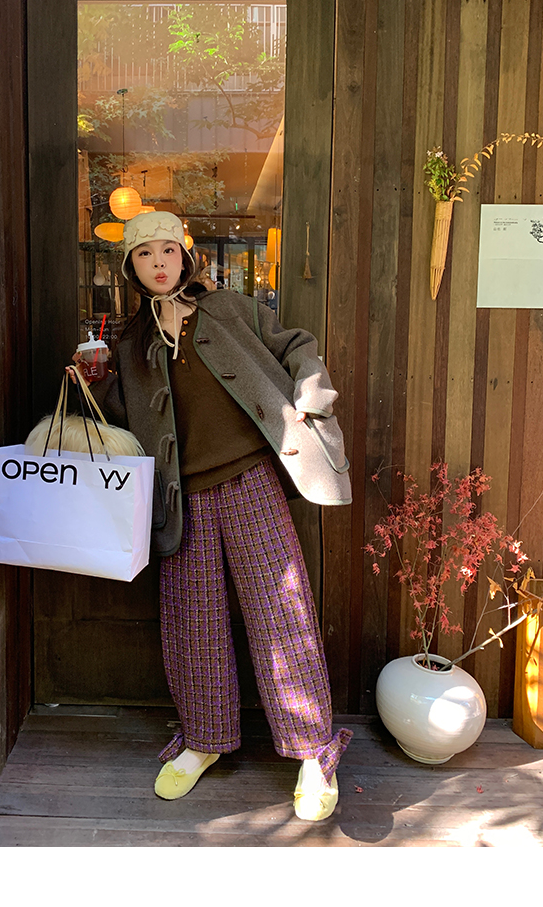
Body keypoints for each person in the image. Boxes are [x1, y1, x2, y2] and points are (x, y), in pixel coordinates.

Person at [80, 210, 352, 821]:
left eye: (166, 251)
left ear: (185, 257)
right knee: (192, 620)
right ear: (130, 268)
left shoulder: (230, 309)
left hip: (252, 479)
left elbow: (297, 346)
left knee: (282, 612)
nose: (157, 262)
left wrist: (311, 401)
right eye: (143, 254)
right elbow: (122, 424)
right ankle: (204, 738)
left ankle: (313, 751)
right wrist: (93, 384)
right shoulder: (129, 342)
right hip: (180, 498)